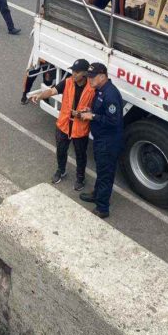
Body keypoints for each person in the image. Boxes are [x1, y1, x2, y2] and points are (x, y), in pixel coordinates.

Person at [31, 59, 94, 191]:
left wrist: (87, 113)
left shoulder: (92, 88)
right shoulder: (68, 82)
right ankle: (61, 170)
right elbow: (52, 91)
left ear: (85, 74)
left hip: (79, 128)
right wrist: (40, 96)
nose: (73, 74)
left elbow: (96, 109)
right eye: (73, 71)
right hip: (64, 124)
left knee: (80, 155)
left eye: (77, 72)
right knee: (61, 150)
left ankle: (80, 178)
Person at [76, 63, 124, 219]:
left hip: (108, 141)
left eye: (92, 76)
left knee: (105, 173)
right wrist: (90, 111)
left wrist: (93, 117)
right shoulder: (100, 90)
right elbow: (100, 111)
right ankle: (97, 195)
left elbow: (113, 121)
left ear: (102, 76)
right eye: (88, 76)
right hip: (101, 139)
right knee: (101, 169)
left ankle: (102, 208)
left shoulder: (110, 94)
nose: (89, 79)